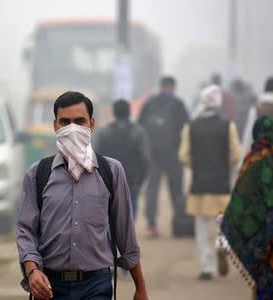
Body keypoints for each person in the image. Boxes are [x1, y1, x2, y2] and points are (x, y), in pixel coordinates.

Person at [16, 91, 149, 300]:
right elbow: (25, 230)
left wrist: (140, 288)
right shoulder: (37, 174)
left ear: (92, 124)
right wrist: (32, 272)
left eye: (80, 121)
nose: (73, 128)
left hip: (96, 285)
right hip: (49, 287)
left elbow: (126, 235)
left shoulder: (111, 171)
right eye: (65, 122)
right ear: (55, 126)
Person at [221, 116, 273, 299]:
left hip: (260, 238)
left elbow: (239, 203)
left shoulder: (252, 162)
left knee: (264, 281)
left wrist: (229, 224)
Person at [179, 85, 241, 281]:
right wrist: (226, 167)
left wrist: (195, 165)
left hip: (199, 185)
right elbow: (236, 155)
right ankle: (222, 246)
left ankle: (207, 266)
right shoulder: (228, 125)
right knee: (221, 223)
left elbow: (183, 156)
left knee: (201, 226)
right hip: (221, 184)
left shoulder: (191, 126)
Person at [138, 76, 190, 238]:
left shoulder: (149, 103)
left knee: (152, 190)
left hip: (153, 155)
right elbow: (187, 127)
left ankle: (151, 226)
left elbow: (140, 126)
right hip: (173, 153)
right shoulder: (178, 104)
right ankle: (178, 225)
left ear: (161, 86)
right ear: (173, 87)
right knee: (176, 190)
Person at [94, 99, 151, 220]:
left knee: (108, 207)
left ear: (114, 112)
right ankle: (128, 232)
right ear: (129, 112)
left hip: (108, 177)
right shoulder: (139, 132)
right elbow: (145, 158)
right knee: (131, 204)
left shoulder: (103, 132)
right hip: (131, 176)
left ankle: (111, 235)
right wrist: (141, 179)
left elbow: (94, 156)